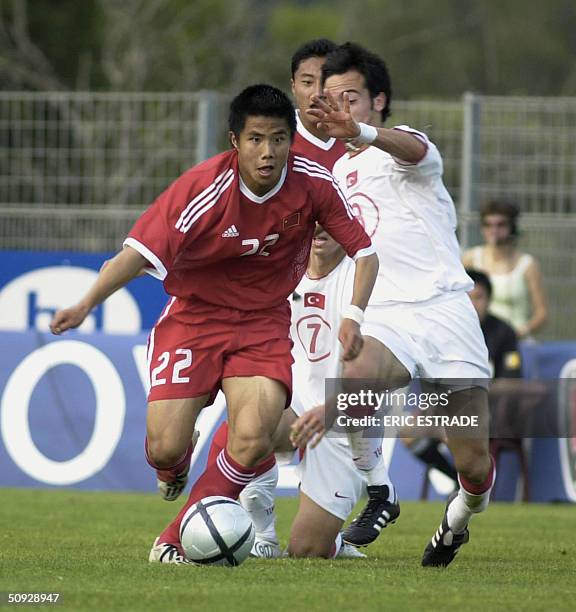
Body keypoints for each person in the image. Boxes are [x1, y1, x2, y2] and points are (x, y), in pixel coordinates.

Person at [49, 84, 379, 565]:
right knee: (165, 448)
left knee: (252, 436)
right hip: (194, 319)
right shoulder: (202, 188)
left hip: (263, 324)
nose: (269, 152)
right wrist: (84, 305)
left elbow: (366, 253)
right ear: (235, 141)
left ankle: (175, 538)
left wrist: (354, 316)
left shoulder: (313, 183)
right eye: (257, 139)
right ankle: (177, 467)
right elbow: (135, 256)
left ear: (292, 139)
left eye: (280, 139)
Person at [290, 42, 495, 568]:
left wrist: (360, 134)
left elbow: (409, 150)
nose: (339, 109)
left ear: (378, 101)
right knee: (355, 367)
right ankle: (377, 488)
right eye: (329, 98)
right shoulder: (334, 176)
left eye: (351, 98)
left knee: (472, 462)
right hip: (386, 313)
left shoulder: (408, 147)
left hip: (446, 310)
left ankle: (461, 515)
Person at [462, 200, 548, 339]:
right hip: (476, 339)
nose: (494, 230)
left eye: (500, 225)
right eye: (488, 224)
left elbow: (542, 313)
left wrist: (517, 334)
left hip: (515, 341)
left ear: (512, 227)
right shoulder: (470, 258)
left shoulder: (527, 264)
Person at [290, 38, 347, 169]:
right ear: (293, 86)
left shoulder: (357, 138)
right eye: (308, 82)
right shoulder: (277, 141)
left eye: (326, 82)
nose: (317, 93)